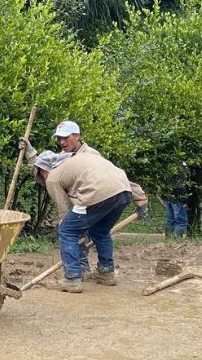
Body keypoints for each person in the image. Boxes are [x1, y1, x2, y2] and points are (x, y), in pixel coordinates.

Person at [42, 121, 136, 293]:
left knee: (67, 230)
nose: (61, 142)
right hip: (123, 191)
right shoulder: (85, 157)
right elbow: (113, 175)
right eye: (59, 139)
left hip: (98, 193)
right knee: (100, 231)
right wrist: (140, 197)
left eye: (65, 138)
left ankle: (71, 279)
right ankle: (106, 273)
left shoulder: (53, 177)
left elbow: (65, 211)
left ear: (77, 136)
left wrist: (73, 227)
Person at [163, 164, 189, 239]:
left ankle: (168, 239)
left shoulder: (167, 169)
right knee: (181, 221)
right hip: (178, 198)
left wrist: (163, 197)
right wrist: (186, 201)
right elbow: (182, 186)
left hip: (167, 198)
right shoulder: (180, 170)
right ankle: (176, 239)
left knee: (170, 220)